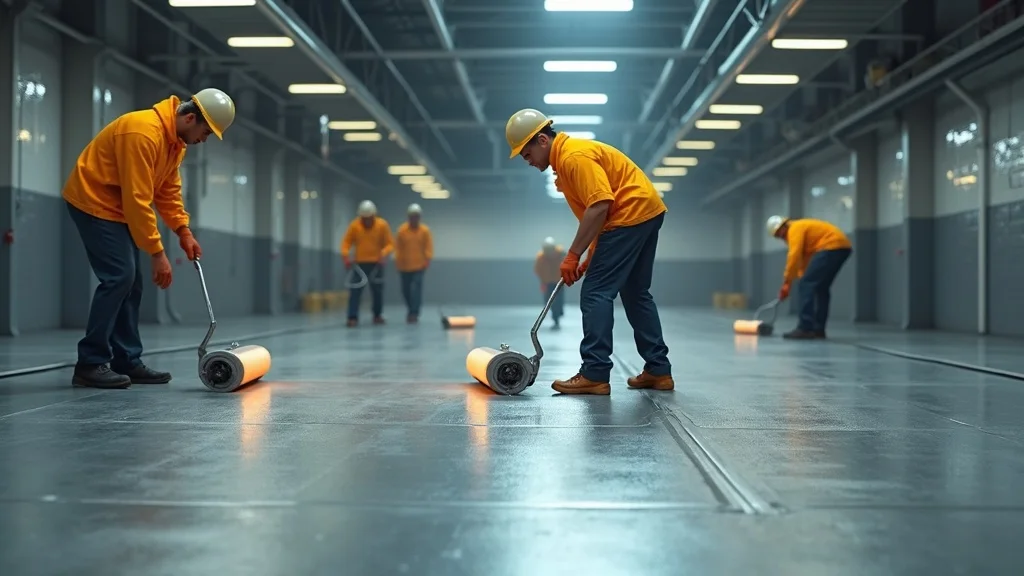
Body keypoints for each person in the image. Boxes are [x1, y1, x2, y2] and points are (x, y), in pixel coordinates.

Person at [61, 88, 236, 389]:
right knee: (119, 277)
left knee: (132, 282)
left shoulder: (174, 144)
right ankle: (90, 363)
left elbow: (167, 191)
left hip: (118, 207)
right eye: (205, 133)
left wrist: (183, 231)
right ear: (190, 117)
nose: (203, 140)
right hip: (94, 201)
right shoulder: (142, 133)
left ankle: (126, 360)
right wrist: (157, 253)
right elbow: (138, 199)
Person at [505, 108, 673, 396]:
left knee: (596, 292)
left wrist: (572, 255)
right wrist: (590, 254)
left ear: (543, 140)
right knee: (636, 293)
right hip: (645, 212)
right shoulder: (569, 158)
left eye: (527, 154)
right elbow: (599, 214)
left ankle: (594, 373)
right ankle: (658, 370)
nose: (528, 161)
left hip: (628, 214)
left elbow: (600, 206)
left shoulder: (573, 157)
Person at [766, 215, 853, 339]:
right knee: (820, 288)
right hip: (841, 247)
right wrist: (798, 279)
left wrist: (787, 282)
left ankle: (805, 328)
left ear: (783, 226)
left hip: (831, 247)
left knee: (807, 285)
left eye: (780, 234)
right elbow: (805, 260)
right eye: (778, 236)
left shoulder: (794, 229)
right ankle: (818, 329)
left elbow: (794, 256)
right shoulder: (801, 229)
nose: (781, 237)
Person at [341, 200, 394, 326]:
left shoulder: (382, 225)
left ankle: (377, 315)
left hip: (377, 264)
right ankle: (352, 317)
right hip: (359, 265)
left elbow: (390, 243)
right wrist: (346, 256)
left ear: (373, 216)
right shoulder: (355, 226)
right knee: (355, 291)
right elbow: (346, 242)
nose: (367, 221)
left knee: (377, 291)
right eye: (364, 218)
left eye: (369, 218)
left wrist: (384, 253)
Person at [394, 203, 433, 323]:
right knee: (405, 291)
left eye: (416, 216)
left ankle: (414, 313)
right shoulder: (402, 230)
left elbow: (428, 247)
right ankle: (410, 309)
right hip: (404, 266)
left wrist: (427, 260)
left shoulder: (425, 231)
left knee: (416, 290)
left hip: (419, 266)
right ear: (409, 217)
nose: (414, 219)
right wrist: (398, 262)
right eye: (412, 216)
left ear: (419, 217)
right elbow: (398, 248)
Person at [533, 236, 565, 329]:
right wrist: (543, 279)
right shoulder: (541, 257)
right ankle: (555, 315)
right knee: (548, 300)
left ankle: (557, 316)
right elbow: (538, 269)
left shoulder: (560, 254)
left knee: (558, 300)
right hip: (547, 282)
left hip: (558, 282)